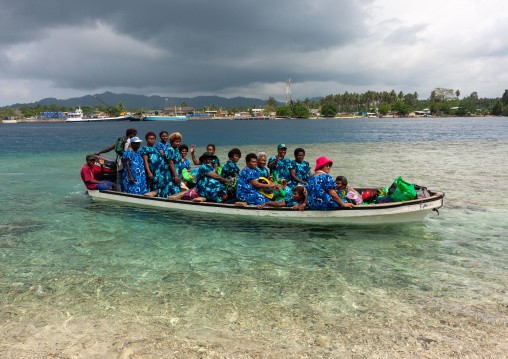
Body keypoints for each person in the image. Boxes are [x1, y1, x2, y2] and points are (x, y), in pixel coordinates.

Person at [162, 132, 183, 197]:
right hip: (170, 175)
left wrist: (181, 174)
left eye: (179, 141)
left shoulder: (176, 150)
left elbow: (178, 163)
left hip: (176, 174)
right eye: (176, 142)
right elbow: (171, 163)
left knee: (175, 189)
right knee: (170, 190)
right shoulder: (170, 150)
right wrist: (176, 175)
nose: (178, 143)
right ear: (171, 142)